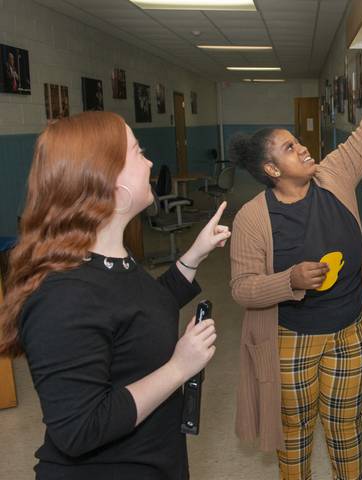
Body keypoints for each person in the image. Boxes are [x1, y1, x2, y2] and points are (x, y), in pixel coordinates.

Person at [227, 32, 362, 480]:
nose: (303, 148)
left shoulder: (333, 175)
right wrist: (289, 280)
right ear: (272, 171)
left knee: (345, 426)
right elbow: (241, 288)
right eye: (291, 149)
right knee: (295, 433)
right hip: (292, 339)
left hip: (349, 328)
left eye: (298, 142)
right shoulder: (253, 219)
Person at [0, 111, 231, 479]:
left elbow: (135, 312)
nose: (150, 161)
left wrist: (193, 257)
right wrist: (178, 368)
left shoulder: (110, 262)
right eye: (138, 152)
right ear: (107, 180)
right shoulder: (62, 297)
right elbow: (79, 429)